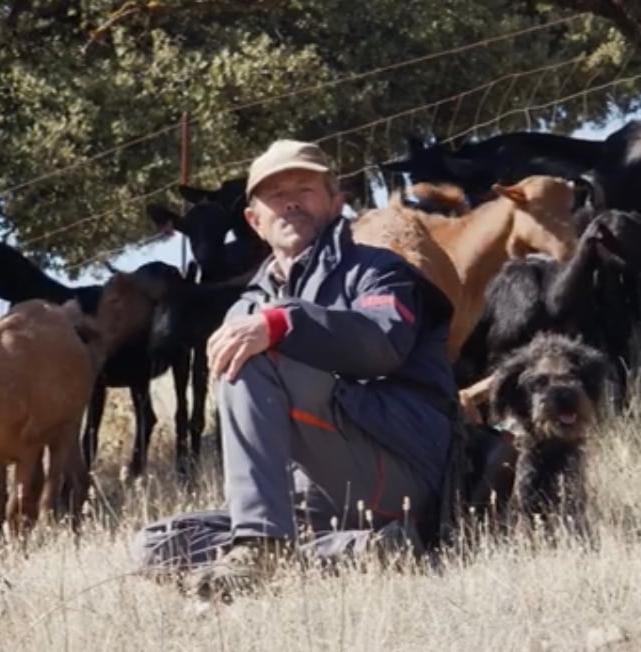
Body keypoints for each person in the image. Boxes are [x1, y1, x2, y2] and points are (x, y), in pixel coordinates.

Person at [127, 139, 459, 602]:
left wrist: (282, 323)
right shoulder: (246, 307)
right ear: (253, 220)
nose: (289, 201)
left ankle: (263, 546)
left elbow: (382, 344)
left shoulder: (379, 272)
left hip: (397, 468)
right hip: (308, 499)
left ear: (336, 202)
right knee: (157, 546)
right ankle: (361, 550)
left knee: (253, 351)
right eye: (273, 195)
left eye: (304, 188)